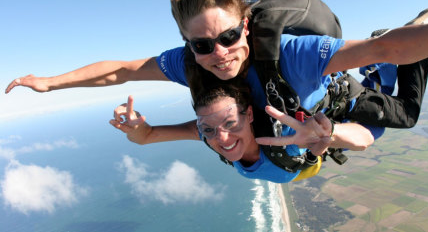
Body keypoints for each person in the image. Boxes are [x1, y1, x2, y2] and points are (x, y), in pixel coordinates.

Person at [5, 0, 428, 134]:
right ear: (187, 44)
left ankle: (423, 24)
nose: (217, 54)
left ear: (246, 26)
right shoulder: (188, 64)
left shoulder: (292, 53)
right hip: (323, 94)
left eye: (226, 38)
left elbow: (382, 49)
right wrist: (50, 83)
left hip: (340, 94)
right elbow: (120, 69)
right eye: (201, 44)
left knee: (406, 115)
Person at [110, 82, 375, 183]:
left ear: (249, 115)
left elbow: (364, 140)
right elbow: (146, 136)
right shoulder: (206, 133)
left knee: (403, 114)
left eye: (230, 124)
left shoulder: (286, 139)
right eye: (208, 128)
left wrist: (325, 134)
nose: (220, 138)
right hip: (305, 164)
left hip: (354, 118)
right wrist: (137, 127)